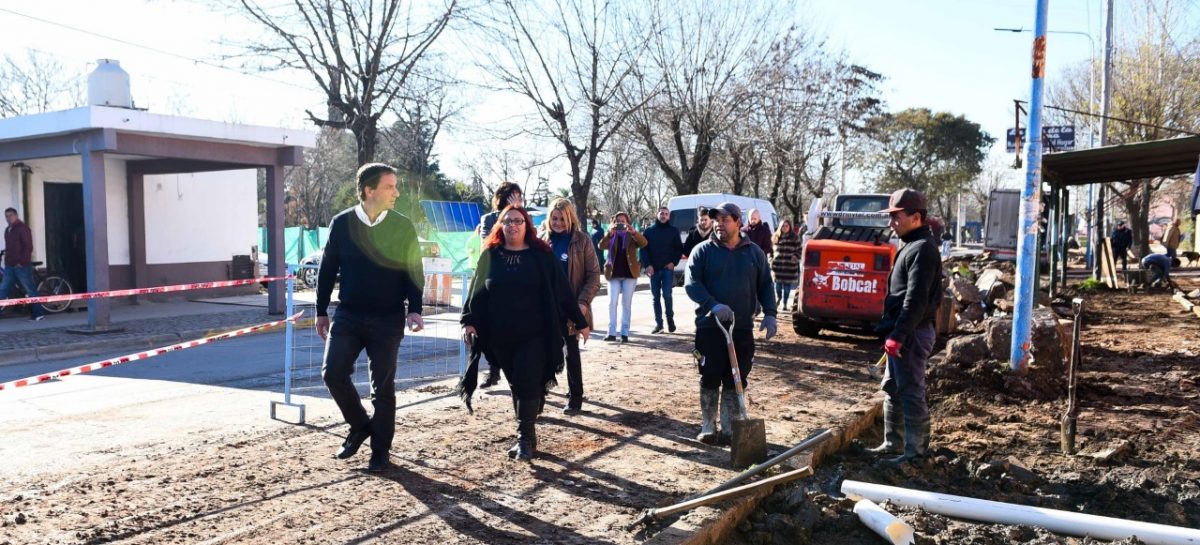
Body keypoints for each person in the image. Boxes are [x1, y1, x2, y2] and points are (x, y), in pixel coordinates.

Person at [315, 163, 426, 473]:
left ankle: (380, 451)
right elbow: (327, 271)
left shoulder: (402, 226)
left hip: (388, 318)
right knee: (332, 373)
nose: (397, 192)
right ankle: (360, 425)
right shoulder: (342, 223)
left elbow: (413, 270)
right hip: (348, 314)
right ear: (369, 190)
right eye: (390, 187)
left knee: (383, 389)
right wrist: (321, 310)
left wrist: (415, 307)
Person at [461, 206, 590, 461]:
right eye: (507, 221)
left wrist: (579, 321)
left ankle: (523, 438)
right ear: (500, 225)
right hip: (501, 336)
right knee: (517, 385)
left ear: (527, 225)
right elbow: (476, 290)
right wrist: (468, 321)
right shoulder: (491, 255)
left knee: (527, 381)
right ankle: (529, 435)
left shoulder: (541, 255)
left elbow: (562, 291)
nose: (512, 225)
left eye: (518, 221)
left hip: (536, 334)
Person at [685, 202, 777, 445]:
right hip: (710, 326)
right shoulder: (703, 251)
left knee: (737, 376)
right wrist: (712, 304)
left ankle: (729, 427)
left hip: (742, 327)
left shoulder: (754, 252)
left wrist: (770, 313)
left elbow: (766, 284)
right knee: (710, 374)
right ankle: (708, 425)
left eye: (725, 220)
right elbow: (692, 283)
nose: (718, 224)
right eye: (716, 220)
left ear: (738, 222)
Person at [868, 188, 942, 465]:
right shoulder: (911, 244)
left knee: (910, 390)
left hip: (911, 332)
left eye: (897, 217)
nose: (892, 222)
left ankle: (915, 453)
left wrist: (898, 335)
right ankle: (892, 443)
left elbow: (915, 299)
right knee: (893, 388)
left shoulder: (922, 249)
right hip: (903, 330)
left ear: (916, 216)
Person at [539, 198, 601, 415]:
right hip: (545, 307)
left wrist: (582, 302)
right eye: (554, 218)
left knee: (570, 352)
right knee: (542, 354)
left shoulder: (582, 241)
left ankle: (575, 397)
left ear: (570, 218)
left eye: (562, 219)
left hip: (572, 306)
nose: (557, 223)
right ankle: (539, 396)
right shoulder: (542, 240)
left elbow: (594, 276)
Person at [599, 211, 647, 343]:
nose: (620, 222)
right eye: (618, 220)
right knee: (611, 303)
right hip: (613, 273)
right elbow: (601, 246)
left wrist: (634, 232)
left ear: (627, 222)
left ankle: (625, 333)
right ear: (614, 222)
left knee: (626, 304)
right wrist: (609, 235)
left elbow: (644, 243)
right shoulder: (610, 234)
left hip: (629, 274)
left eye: (623, 220)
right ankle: (612, 332)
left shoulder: (632, 236)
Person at [640, 206, 684, 334]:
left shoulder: (673, 231)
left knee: (667, 295)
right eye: (661, 213)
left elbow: (678, 249)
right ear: (657, 214)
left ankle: (670, 320)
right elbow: (643, 250)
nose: (663, 215)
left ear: (669, 216)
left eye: (666, 214)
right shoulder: (649, 231)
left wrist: (673, 263)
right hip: (653, 270)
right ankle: (659, 324)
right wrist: (647, 265)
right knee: (655, 298)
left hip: (667, 269)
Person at [2, 208, 45, 321]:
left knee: (30, 289)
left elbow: (28, 246)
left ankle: (38, 313)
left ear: (16, 215)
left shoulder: (22, 228)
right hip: (10, 265)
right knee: (3, 288)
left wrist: (22, 262)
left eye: (11, 215)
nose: (8, 218)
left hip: (21, 266)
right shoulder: (8, 230)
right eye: (6, 216)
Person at [771, 219, 801, 311]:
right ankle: (779, 298)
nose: (785, 227)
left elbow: (800, 250)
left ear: (790, 227)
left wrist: (795, 257)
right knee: (778, 287)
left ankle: (784, 304)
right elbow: (770, 250)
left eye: (786, 226)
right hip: (777, 267)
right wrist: (770, 259)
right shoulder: (775, 237)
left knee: (787, 289)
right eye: (783, 226)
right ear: (780, 227)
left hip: (789, 267)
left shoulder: (795, 237)